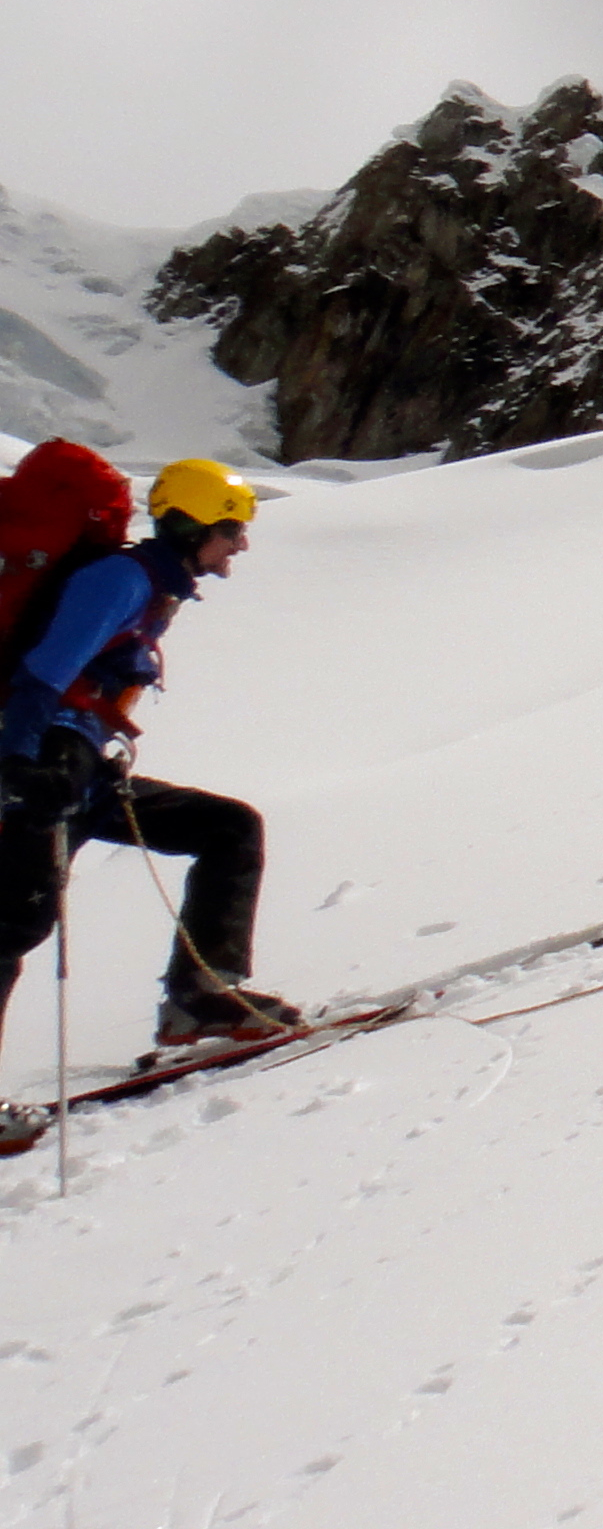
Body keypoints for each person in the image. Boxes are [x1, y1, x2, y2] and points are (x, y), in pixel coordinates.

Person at [0, 459, 295, 1154]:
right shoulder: (122, 581)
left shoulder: (153, 584)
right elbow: (41, 675)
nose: (239, 547)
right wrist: (16, 766)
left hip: (80, 773)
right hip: (43, 771)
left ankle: (200, 997)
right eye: (232, 530)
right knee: (9, 928)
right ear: (194, 524)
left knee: (227, 829)